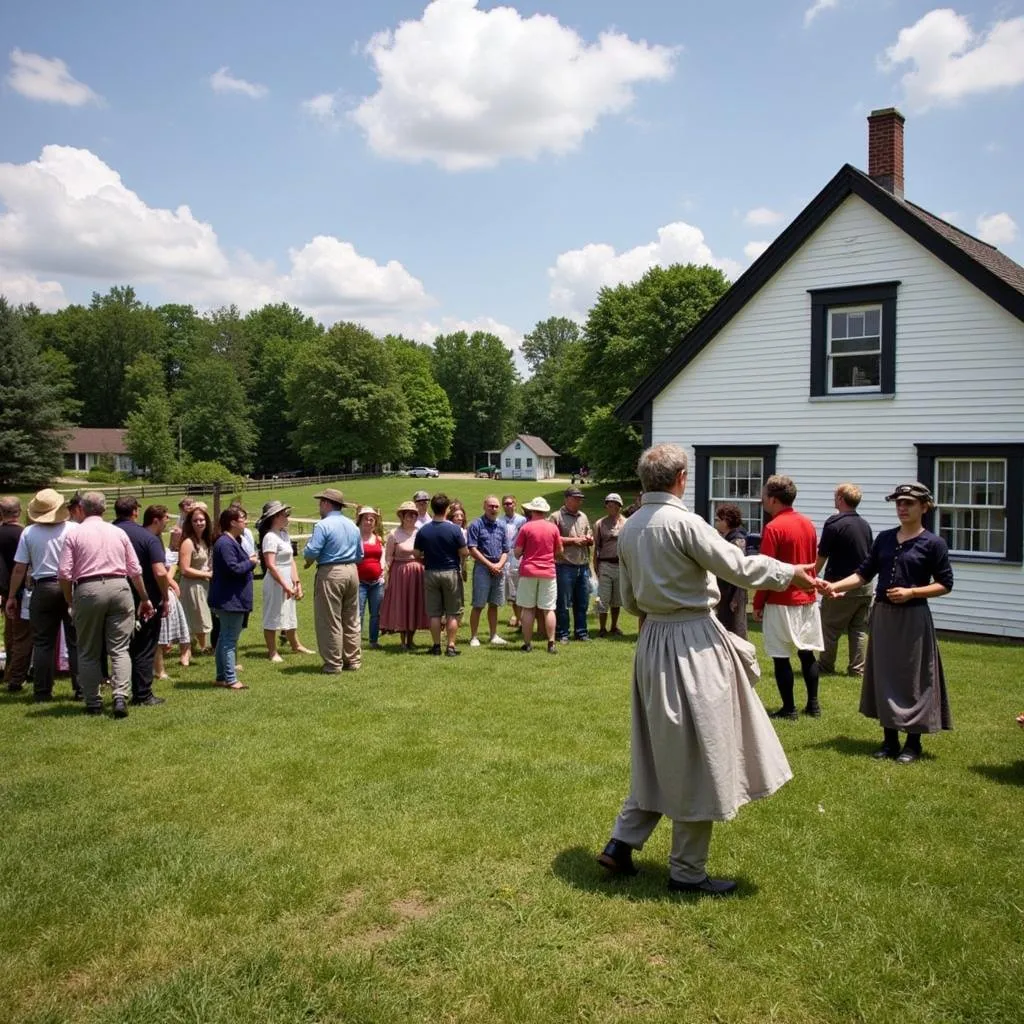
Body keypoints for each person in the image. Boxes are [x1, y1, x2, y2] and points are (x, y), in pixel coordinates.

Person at [596, 444, 817, 895]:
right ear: (680, 478)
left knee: (661, 750)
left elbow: (633, 600)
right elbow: (737, 566)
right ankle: (687, 871)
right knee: (698, 753)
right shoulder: (683, 523)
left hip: (652, 641)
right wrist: (789, 572)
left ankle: (621, 843)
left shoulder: (632, 525)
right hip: (692, 643)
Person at [819, 482, 954, 763]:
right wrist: (835, 587)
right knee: (885, 675)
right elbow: (863, 573)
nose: (902, 508)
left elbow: (945, 584)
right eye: (899, 503)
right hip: (882, 615)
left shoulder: (934, 543)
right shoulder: (884, 538)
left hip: (914, 619)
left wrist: (912, 592)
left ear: (924, 507)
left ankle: (912, 744)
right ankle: (890, 741)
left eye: (909, 503)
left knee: (913, 678)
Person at [58, 491, 153, 718]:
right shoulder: (118, 532)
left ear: (82, 507)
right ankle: (120, 696)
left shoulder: (74, 534)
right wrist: (145, 597)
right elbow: (135, 569)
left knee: (89, 650)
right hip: (120, 587)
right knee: (120, 649)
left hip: (88, 588)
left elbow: (63, 572)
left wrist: (70, 599)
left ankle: (93, 701)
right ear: (104, 508)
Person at [753, 475, 823, 720]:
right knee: (807, 653)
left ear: (773, 499)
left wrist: (758, 603)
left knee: (781, 656)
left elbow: (766, 570)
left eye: (764, 496)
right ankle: (813, 704)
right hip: (808, 597)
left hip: (781, 599)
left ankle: (789, 708)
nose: (762, 500)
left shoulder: (773, 527)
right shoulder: (808, 523)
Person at [4, 489, 80, 702]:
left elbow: (20, 568)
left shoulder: (29, 532)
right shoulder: (73, 529)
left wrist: (11, 596)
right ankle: (81, 688)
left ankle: (42, 691)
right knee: (75, 640)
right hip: (71, 586)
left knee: (43, 642)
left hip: (43, 586)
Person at [113, 498, 170, 707]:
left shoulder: (108, 533)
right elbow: (160, 571)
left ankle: (105, 691)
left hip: (112, 594)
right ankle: (142, 693)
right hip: (143, 598)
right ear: (136, 512)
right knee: (144, 646)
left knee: (118, 647)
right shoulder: (147, 537)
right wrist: (165, 596)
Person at [815, 483, 874, 677]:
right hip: (865, 586)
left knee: (830, 628)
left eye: (835, 495)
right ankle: (857, 669)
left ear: (841, 498)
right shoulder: (865, 524)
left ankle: (825, 666)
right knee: (858, 630)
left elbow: (822, 555)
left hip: (841, 585)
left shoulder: (834, 523)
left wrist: (811, 578)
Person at [303, 488, 363, 674]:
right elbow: (360, 554)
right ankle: (353, 660)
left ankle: (333, 663)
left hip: (331, 572)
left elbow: (312, 551)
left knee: (329, 619)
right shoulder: (352, 525)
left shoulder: (323, 525)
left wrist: (308, 558)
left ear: (327, 503)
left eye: (321, 502)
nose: (319, 506)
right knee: (351, 618)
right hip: (352, 571)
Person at [414, 493, 469, 657]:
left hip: (431, 572)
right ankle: (450, 646)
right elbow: (464, 552)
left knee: (434, 613)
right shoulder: (454, 529)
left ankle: (436, 645)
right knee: (452, 612)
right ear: (446, 509)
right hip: (451, 572)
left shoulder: (424, 530)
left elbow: (416, 553)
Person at [257, 500, 309, 662]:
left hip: (287, 579)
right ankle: (272, 651)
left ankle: (296, 645)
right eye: (283, 514)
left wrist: (297, 582)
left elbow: (291, 561)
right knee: (273, 614)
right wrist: (285, 585)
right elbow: (271, 565)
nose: (287, 517)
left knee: (290, 612)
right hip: (275, 581)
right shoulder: (270, 537)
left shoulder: (284, 535)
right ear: (274, 517)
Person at [209, 506, 255, 690]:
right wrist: (251, 562)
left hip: (228, 598)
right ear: (233, 522)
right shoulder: (225, 543)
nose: (245, 521)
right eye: (243, 518)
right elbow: (233, 569)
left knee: (223, 637)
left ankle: (221, 676)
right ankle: (230, 678)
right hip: (229, 599)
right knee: (229, 639)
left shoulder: (229, 541)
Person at [513, 497, 563, 654]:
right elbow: (560, 551)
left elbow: (517, 553)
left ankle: (527, 644)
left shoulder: (526, 528)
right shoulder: (553, 528)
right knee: (548, 609)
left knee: (527, 609)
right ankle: (551, 643)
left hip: (528, 570)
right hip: (548, 571)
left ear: (532, 510)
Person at [379, 501, 429, 649]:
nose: (412, 518)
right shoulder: (394, 534)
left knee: (414, 603)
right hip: (400, 573)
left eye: (414, 515)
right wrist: (386, 573)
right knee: (402, 604)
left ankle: (411, 639)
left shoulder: (420, 532)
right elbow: (388, 556)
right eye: (408, 515)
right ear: (402, 516)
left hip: (417, 572)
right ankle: (402, 640)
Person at [551, 487, 593, 643]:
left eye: (580, 498)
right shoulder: (556, 516)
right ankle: (563, 634)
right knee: (563, 602)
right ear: (566, 499)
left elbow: (589, 533)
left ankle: (581, 633)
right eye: (576, 498)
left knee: (582, 602)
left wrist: (589, 539)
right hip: (564, 564)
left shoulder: (583, 516)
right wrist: (573, 541)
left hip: (582, 565)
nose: (579, 501)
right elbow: (553, 538)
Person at [466, 495, 510, 647]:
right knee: (478, 604)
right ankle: (474, 637)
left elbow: (506, 550)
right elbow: (472, 548)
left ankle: (493, 635)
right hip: (482, 568)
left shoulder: (502, 526)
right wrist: (490, 565)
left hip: (498, 568)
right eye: (491, 506)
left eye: (496, 506)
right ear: (484, 506)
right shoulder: (475, 525)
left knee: (494, 604)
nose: (494, 509)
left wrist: (499, 564)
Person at [0, 496, 32, 692]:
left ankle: (9, 671)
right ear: (18, 512)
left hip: (4, 590)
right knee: (22, 635)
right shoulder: (24, 534)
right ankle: (15, 675)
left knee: (9, 633)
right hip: (19, 589)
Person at [156, 525, 191, 678]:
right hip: (164, 591)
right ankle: (160, 665)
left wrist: (171, 582)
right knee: (164, 627)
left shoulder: (169, 553)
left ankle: (185, 653)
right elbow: (162, 572)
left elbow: (168, 570)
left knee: (179, 624)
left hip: (169, 590)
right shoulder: (161, 550)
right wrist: (171, 583)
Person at [178, 504, 214, 653]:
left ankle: (199, 646)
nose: (199, 523)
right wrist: (207, 574)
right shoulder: (188, 542)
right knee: (195, 617)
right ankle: (199, 647)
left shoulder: (204, 541)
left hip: (203, 584)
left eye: (202, 520)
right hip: (191, 585)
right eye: (195, 521)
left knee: (201, 616)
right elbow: (184, 569)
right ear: (190, 523)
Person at [712, 503, 749, 639]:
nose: (715, 522)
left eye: (718, 519)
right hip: (724, 592)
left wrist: (735, 598)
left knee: (735, 632)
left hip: (733, 595)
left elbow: (740, 571)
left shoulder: (737, 541)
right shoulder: (726, 538)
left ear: (727, 521)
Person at [593, 493, 626, 637]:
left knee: (617, 599)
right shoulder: (599, 524)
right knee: (603, 598)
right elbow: (596, 548)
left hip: (620, 565)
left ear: (619, 506)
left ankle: (614, 626)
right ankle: (601, 628)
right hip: (605, 564)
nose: (610, 506)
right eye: (608, 504)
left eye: (614, 504)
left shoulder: (626, 523)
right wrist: (596, 567)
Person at [355, 506, 385, 650]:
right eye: (366, 519)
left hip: (377, 582)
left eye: (371, 519)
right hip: (359, 582)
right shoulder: (355, 537)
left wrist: (383, 572)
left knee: (376, 613)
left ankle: (373, 640)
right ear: (360, 521)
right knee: (358, 612)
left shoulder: (378, 539)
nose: (369, 522)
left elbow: (382, 557)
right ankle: (356, 641)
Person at [499, 495, 526, 628]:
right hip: (504, 558)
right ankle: (518, 617)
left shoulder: (522, 520)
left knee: (520, 589)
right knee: (511, 591)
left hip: (519, 557)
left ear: (515, 504)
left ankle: (522, 619)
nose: (507, 506)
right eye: (505, 503)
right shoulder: (499, 521)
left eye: (510, 503)